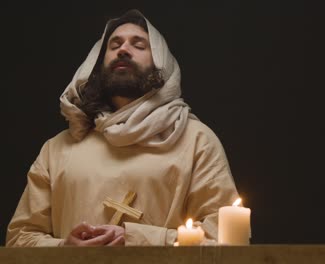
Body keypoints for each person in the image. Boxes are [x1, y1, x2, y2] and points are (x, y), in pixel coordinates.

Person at [6, 9, 239, 246]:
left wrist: (137, 238)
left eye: (139, 45)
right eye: (114, 44)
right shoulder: (57, 149)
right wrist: (64, 248)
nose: (123, 50)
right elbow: (20, 238)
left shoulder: (196, 140)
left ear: (162, 64)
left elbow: (223, 237)